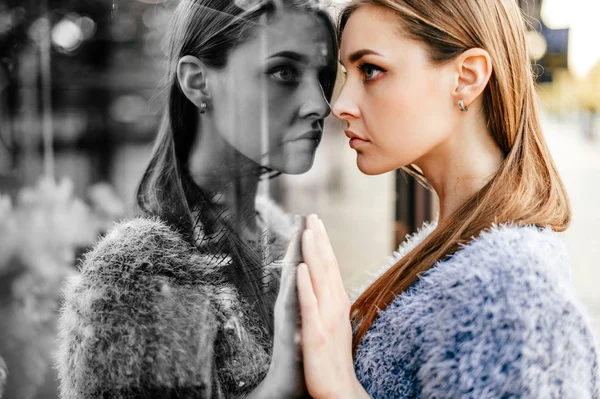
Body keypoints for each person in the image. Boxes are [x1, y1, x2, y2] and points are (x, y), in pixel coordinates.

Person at [295, 0, 600, 398]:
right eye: (345, 74)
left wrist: (339, 387)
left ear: (467, 77)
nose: (340, 105)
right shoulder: (459, 253)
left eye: (370, 70)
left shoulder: (509, 289)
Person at [55, 0, 337, 397]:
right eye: (284, 72)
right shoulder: (140, 274)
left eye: (323, 76)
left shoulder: (280, 239)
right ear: (197, 82)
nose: (320, 105)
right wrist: (280, 383)